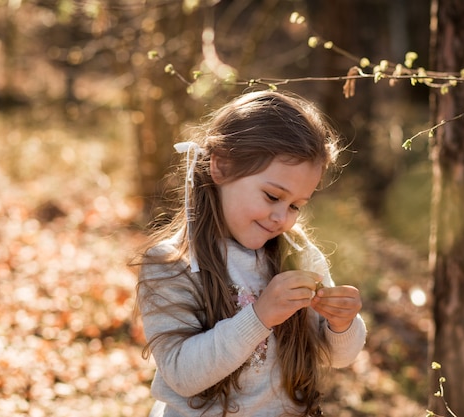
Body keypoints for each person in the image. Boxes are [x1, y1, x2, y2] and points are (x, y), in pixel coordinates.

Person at [135, 90, 367, 417]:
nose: (282, 217)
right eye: (273, 196)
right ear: (222, 167)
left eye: (296, 205)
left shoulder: (298, 255)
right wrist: (259, 316)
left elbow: (339, 356)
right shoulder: (172, 264)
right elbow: (182, 375)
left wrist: (342, 324)